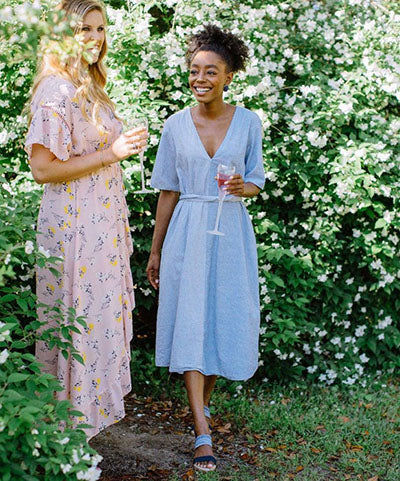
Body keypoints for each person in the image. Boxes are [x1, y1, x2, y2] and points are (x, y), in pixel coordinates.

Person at [25, 0, 147, 439]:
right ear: (63, 33)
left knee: (93, 321)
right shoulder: (56, 89)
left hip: (99, 226)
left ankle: (78, 434)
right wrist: (110, 154)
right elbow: (42, 169)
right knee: (73, 321)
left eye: (99, 28)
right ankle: (63, 434)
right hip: (74, 229)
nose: (95, 37)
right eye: (84, 29)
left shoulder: (88, 85)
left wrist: (119, 147)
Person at [146, 24, 265, 472]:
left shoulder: (249, 121)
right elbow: (167, 192)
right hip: (188, 231)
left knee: (219, 319)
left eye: (210, 71)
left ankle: (201, 408)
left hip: (231, 230)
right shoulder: (175, 125)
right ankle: (202, 431)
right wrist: (155, 251)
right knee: (191, 321)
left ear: (229, 75)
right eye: (194, 70)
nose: (200, 78)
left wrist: (243, 187)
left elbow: (256, 179)